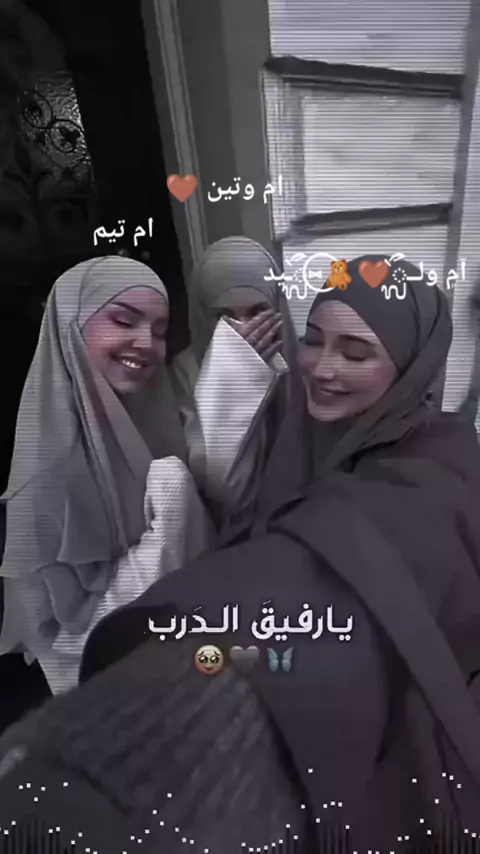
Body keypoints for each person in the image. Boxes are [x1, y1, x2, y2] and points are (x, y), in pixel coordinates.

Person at [37, 252, 480, 850]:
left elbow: (318, 569)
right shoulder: (299, 429)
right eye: (314, 340)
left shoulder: (439, 467)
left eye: (356, 353)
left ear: (411, 365)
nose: (323, 368)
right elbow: (244, 513)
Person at [0, 256, 216, 697]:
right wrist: (170, 520)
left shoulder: (149, 422)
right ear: (72, 325)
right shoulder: (48, 475)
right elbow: (63, 650)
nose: (146, 343)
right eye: (123, 321)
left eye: (159, 330)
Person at [171, 236, 295, 523]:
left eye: (257, 312)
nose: (244, 330)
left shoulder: (307, 363)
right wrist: (235, 375)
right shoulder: (182, 373)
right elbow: (224, 490)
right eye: (224, 316)